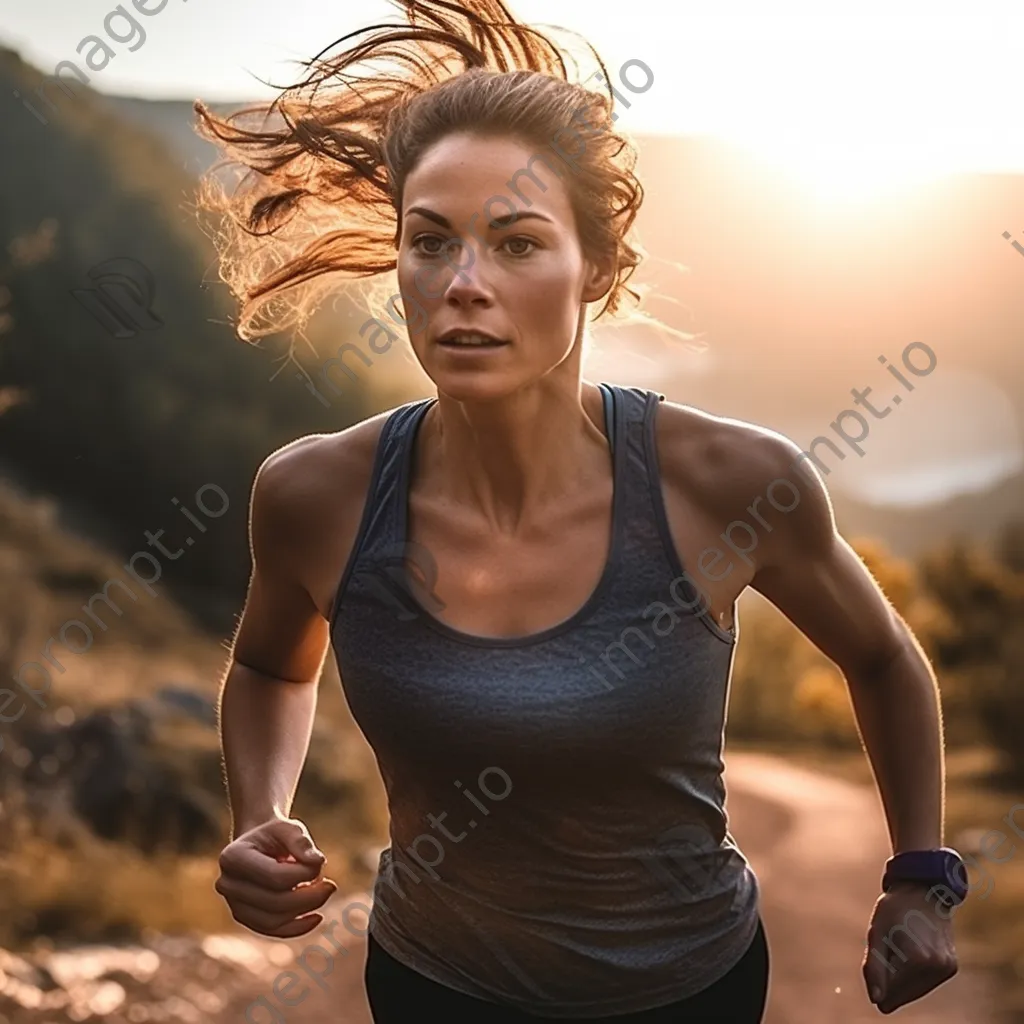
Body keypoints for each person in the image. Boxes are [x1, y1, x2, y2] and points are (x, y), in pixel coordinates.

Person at [198, 2, 962, 1020]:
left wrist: (921, 874)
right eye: (430, 243)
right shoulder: (314, 495)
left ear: (595, 268)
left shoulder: (730, 484)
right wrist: (259, 815)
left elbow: (880, 657)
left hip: (689, 988)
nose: (463, 283)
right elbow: (265, 665)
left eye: (515, 245)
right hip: (432, 985)